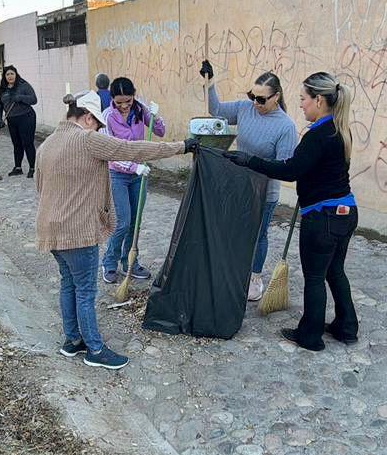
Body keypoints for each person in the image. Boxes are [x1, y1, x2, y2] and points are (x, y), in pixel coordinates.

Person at [35, 90, 197, 370]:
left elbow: (40, 187)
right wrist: (180, 147)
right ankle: (95, 350)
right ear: (87, 118)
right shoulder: (88, 139)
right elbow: (132, 150)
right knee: (85, 290)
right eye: (98, 123)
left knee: (68, 285)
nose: (99, 127)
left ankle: (73, 341)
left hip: (51, 229)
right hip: (78, 231)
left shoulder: (47, 144)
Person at [227, 71, 359, 352]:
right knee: (335, 271)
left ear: (319, 100)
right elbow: (317, 171)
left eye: (303, 99)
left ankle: (310, 335)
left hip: (322, 218)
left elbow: (289, 169)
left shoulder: (318, 135)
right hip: (346, 213)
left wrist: (249, 160)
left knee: (314, 277)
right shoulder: (339, 129)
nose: (300, 104)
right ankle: (347, 327)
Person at [202, 60, 298, 301]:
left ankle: (255, 276)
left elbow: (283, 168)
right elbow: (216, 110)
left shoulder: (286, 127)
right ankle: (236, 271)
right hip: (238, 185)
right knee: (236, 230)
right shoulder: (246, 108)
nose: (256, 102)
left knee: (258, 234)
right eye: (252, 96)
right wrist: (210, 82)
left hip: (265, 192)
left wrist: (253, 162)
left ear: (276, 97)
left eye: (262, 99)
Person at [99, 76, 165, 284]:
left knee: (135, 222)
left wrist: (155, 116)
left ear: (133, 96)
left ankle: (130, 262)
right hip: (118, 175)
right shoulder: (107, 117)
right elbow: (110, 152)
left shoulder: (140, 109)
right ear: (112, 99)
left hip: (139, 175)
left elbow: (160, 131)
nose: (125, 105)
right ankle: (109, 262)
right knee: (123, 222)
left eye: (128, 100)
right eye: (119, 102)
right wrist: (135, 167)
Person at [0, 65, 38, 177]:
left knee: (27, 143)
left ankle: (33, 168)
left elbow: (34, 100)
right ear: (4, 76)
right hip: (12, 119)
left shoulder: (23, 85)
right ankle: (18, 167)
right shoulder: (3, 88)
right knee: (17, 144)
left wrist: (20, 97)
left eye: (12, 74)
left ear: (16, 74)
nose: (10, 76)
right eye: (7, 74)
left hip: (26, 117)